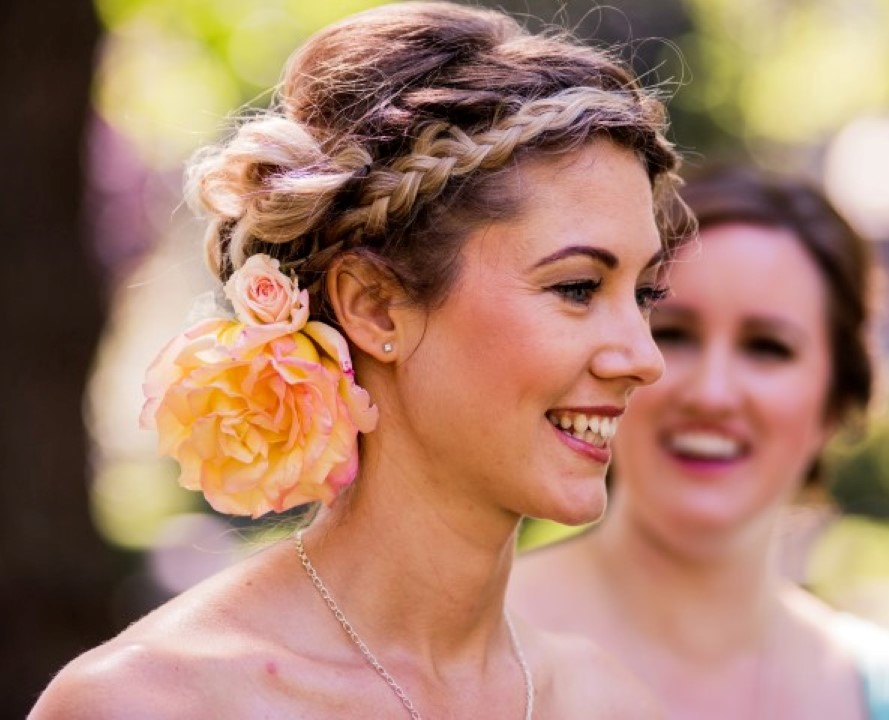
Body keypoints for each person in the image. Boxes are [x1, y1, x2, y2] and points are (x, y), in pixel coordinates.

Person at [30, 3, 693, 717]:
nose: (643, 358)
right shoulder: (153, 703)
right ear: (374, 307)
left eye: (644, 295)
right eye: (578, 288)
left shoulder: (608, 702)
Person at [509, 167, 889, 720]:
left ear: (836, 400)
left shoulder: (886, 699)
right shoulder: (468, 650)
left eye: (767, 347)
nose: (711, 394)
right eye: (674, 334)